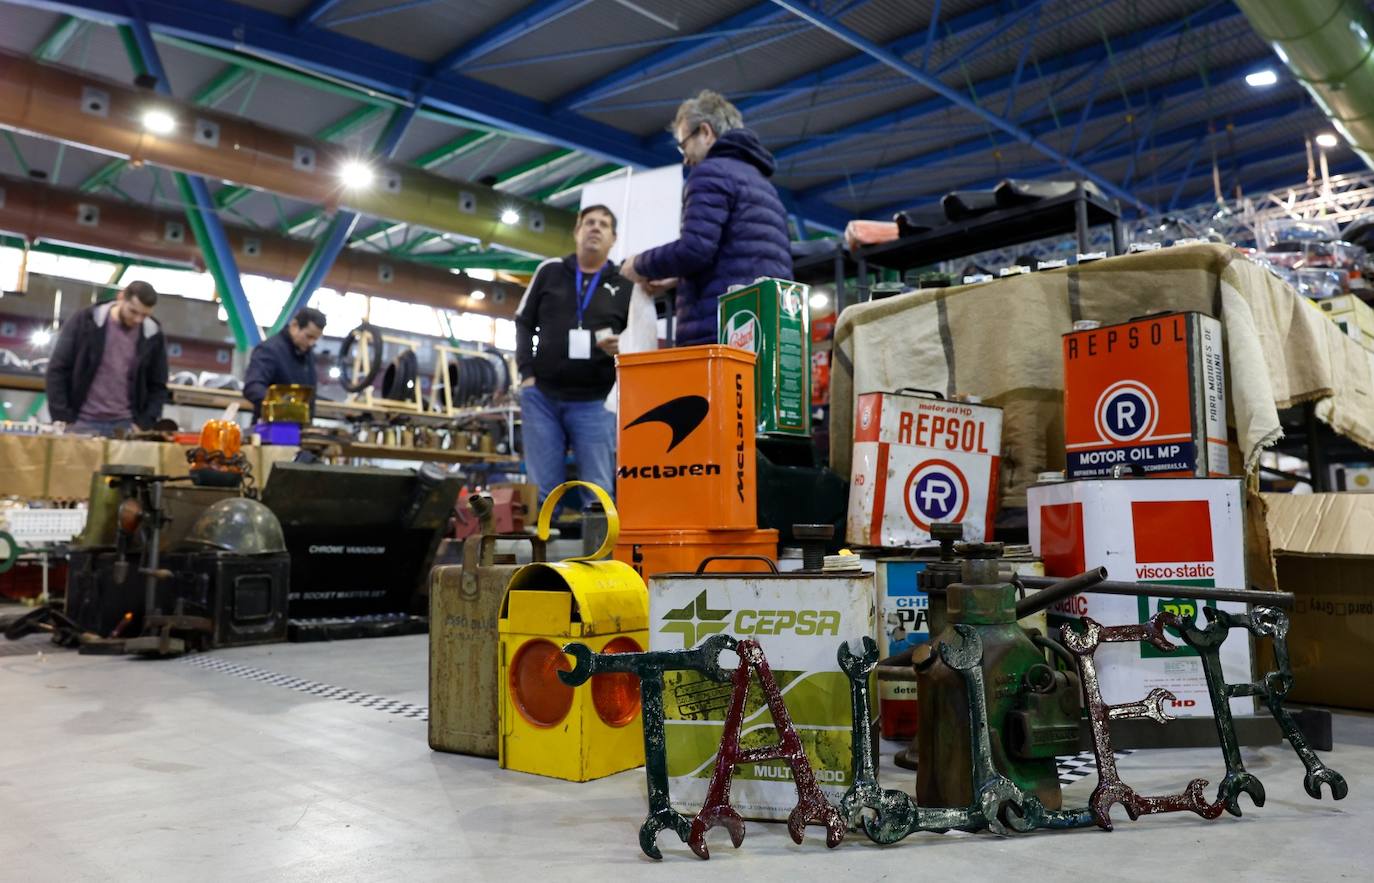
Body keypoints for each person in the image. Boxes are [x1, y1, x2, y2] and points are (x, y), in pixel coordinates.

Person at [619, 89, 792, 345]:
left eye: (683, 144)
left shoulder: (710, 173)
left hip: (722, 329)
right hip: (768, 324)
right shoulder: (764, 185)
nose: (686, 159)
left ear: (706, 132)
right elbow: (737, 253)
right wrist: (678, 278)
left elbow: (695, 248)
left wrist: (639, 264)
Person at [515, 204, 631, 506]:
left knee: (598, 493)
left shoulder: (624, 283)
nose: (595, 228)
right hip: (542, 398)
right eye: (589, 222)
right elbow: (524, 321)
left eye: (603, 225)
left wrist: (626, 344)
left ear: (613, 238)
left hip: (597, 402)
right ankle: (541, 552)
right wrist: (526, 374)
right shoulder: (550, 271)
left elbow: (639, 336)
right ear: (577, 231)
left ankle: (599, 553)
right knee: (543, 494)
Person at [45, 280, 168, 435]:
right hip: (80, 423)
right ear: (121, 297)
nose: (138, 319)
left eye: (144, 315)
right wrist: (63, 417)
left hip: (126, 426)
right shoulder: (85, 321)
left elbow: (158, 386)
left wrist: (143, 423)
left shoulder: (153, 335)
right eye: (133, 312)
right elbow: (58, 369)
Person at [243, 307, 326, 419]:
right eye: (309, 336)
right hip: (271, 429)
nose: (312, 343)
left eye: (315, 339)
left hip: (299, 429)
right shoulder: (269, 350)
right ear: (294, 326)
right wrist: (283, 406)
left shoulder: (307, 354)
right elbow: (253, 387)